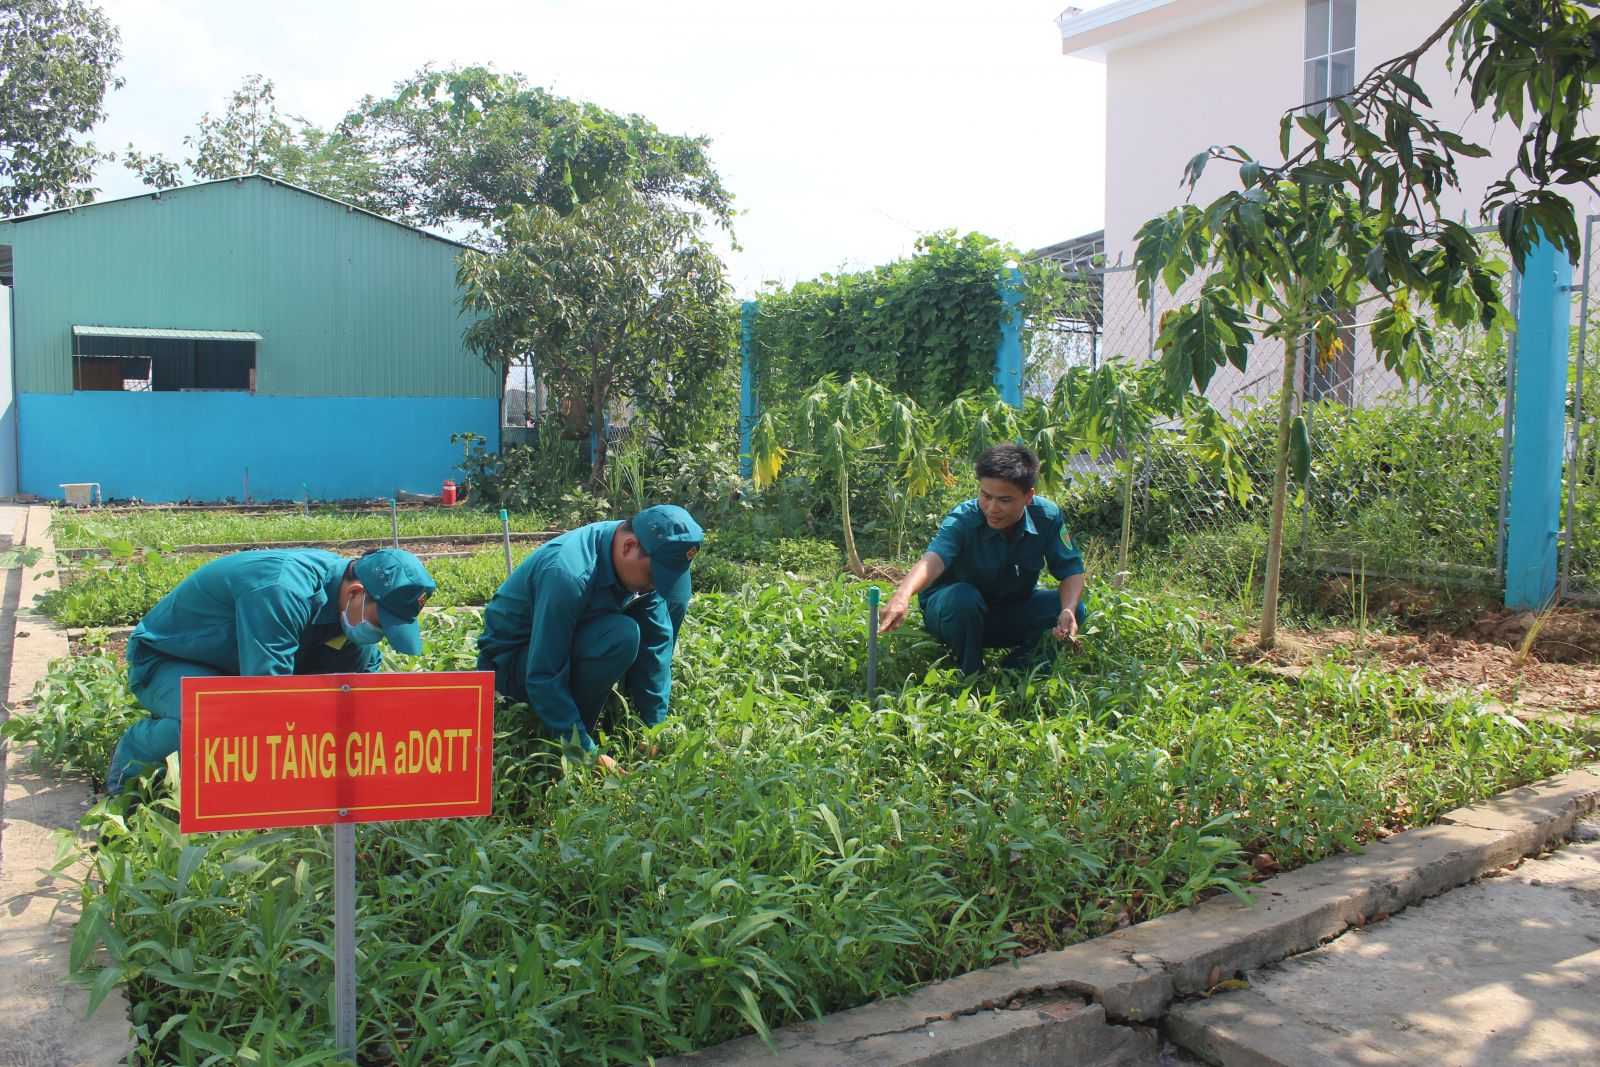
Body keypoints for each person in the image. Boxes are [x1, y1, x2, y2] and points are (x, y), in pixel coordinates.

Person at [106, 547, 438, 796]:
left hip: (238, 666)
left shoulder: (347, 609)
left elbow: (363, 691)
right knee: (216, 718)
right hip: (170, 659)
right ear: (354, 592)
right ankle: (134, 755)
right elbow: (268, 700)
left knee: (346, 687)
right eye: (379, 624)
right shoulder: (282, 590)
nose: (377, 635)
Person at [476, 504, 702, 770]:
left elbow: (656, 646)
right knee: (621, 636)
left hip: (570, 641)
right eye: (655, 575)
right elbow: (543, 674)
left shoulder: (640, 550)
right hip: (513, 667)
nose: (655, 584)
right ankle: (561, 744)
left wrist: (652, 728)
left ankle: (590, 719)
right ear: (628, 547)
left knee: (667, 607)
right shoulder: (567, 573)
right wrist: (585, 754)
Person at [877, 443, 1087, 674]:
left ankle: (1018, 673)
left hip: (1008, 612)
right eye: (985, 496)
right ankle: (971, 676)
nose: (992, 508)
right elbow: (934, 559)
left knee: (1074, 609)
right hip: (954, 616)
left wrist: (1067, 608)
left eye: (1004, 500)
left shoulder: (1047, 517)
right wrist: (903, 594)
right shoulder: (964, 518)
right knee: (964, 598)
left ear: (1028, 497)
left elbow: (1071, 571)